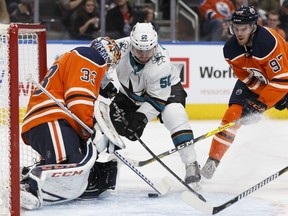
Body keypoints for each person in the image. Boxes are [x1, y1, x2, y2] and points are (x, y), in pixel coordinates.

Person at [20, 37, 122, 209]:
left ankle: (28, 175)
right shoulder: (91, 57)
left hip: (52, 121)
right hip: (50, 118)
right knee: (70, 163)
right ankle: (30, 185)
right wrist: (90, 131)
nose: (108, 70)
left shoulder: (79, 56)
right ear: (108, 56)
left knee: (77, 162)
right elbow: (79, 100)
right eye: (110, 65)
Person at [106, 22, 201, 185]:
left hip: (166, 91)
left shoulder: (161, 62)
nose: (144, 55)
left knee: (174, 114)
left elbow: (157, 99)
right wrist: (103, 85)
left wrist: (140, 119)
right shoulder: (119, 47)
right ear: (131, 44)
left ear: (155, 45)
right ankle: (99, 164)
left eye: (148, 50)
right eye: (139, 50)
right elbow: (100, 64)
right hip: (130, 94)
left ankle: (191, 164)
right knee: (108, 120)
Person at [200, 6, 288, 179]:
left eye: (244, 29)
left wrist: (262, 103)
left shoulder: (268, 42)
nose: (238, 33)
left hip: (284, 76)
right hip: (262, 82)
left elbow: (283, 79)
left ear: (254, 26)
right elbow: (247, 78)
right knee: (232, 115)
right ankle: (212, 162)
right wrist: (259, 103)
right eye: (236, 28)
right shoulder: (230, 50)